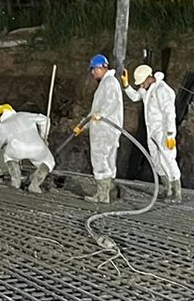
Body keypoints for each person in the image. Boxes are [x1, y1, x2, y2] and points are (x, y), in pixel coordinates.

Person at [72, 52, 125, 203]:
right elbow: (95, 112)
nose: (93, 72)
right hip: (105, 128)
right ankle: (109, 193)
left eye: (94, 69)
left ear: (103, 67)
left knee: (100, 159)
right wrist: (83, 125)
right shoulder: (106, 83)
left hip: (105, 129)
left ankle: (102, 196)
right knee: (108, 160)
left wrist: (100, 115)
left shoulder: (110, 83)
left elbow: (110, 104)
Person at [126, 63, 182, 200]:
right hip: (152, 132)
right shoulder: (147, 89)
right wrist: (126, 85)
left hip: (163, 132)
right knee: (157, 161)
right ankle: (167, 189)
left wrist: (170, 135)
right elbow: (135, 97)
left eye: (141, 83)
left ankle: (177, 192)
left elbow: (170, 114)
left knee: (168, 160)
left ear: (148, 78)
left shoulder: (162, 90)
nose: (140, 86)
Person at [0, 104, 55, 193]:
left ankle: (16, 181)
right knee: (49, 161)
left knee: (9, 156)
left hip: (15, 148)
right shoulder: (24, 115)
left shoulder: (0, 126)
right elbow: (45, 119)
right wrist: (43, 137)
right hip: (37, 147)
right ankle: (35, 184)